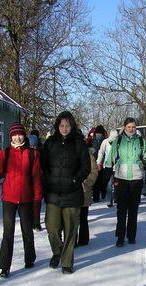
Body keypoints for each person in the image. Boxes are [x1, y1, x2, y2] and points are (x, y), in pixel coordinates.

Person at [0, 122, 42, 278]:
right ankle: (4, 266)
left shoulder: (32, 154)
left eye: (19, 134)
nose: (17, 137)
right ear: (10, 137)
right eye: (14, 134)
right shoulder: (5, 154)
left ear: (24, 135)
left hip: (26, 199)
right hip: (8, 198)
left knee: (27, 231)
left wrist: (36, 201)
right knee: (7, 233)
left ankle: (30, 259)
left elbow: (36, 180)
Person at [41, 111, 90, 274]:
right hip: (53, 193)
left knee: (70, 230)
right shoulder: (50, 143)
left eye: (67, 125)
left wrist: (75, 180)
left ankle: (67, 262)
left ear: (72, 126)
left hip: (72, 193)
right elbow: (43, 165)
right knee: (52, 227)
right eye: (61, 125)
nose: (64, 128)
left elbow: (86, 167)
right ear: (57, 126)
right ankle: (57, 251)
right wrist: (48, 180)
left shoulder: (79, 143)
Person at [107, 117, 146, 247]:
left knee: (133, 209)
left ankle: (131, 235)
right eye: (129, 127)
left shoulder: (140, 141)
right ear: (124, 127)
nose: (131, 129)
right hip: (121, 178)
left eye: (133, 127)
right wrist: (107, 171)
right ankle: (120, 236)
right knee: (121, 209)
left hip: (136, 178)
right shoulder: (118, 141)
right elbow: (111, 157)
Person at [77, 146, 98, 246]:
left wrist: (88, 182)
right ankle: (72, 240)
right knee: (71, 217)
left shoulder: (88, 155)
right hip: (70, 189)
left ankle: (83, 239)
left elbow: (94, 171)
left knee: (83, 216)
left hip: (84, 189)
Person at [97, 129, 119, 207]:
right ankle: (109, 200)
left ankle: (116, 197)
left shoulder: (119, 143)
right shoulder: (105, 142)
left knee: (117, 184)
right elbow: (101, 152)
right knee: (109, 184)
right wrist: (98, 162)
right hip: (107, 166)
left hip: (117, 167)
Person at [28, 133, 43, 232]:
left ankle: (36, 223)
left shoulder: (41, 153)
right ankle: (31, 221)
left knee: (37, 203)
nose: (32, 147)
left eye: (34, 146)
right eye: (31, 146)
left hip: (38, 181)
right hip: (28, 182)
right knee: (30, 203)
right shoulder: (26, 153)